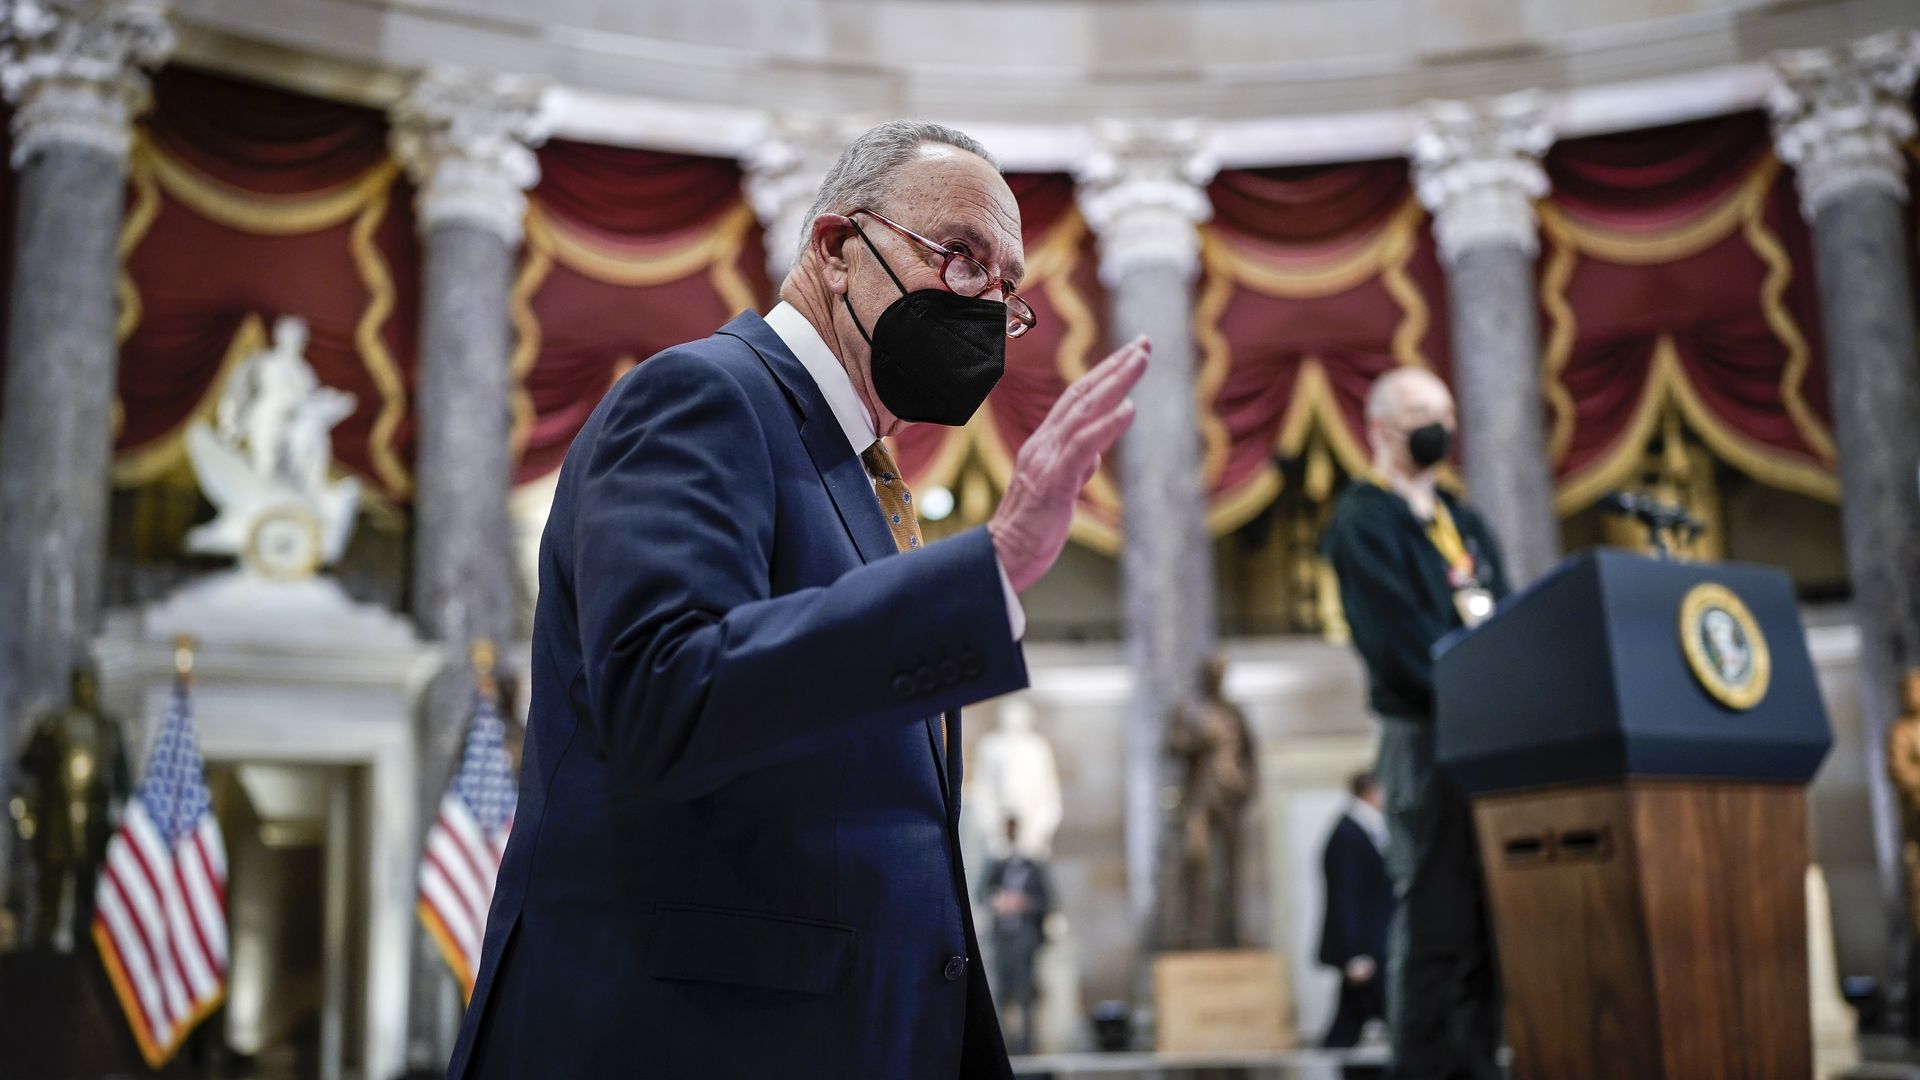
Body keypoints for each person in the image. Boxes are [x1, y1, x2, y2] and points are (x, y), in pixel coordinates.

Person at [445, 120, 1149, 1080]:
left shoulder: (857, 475)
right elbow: (668, 696)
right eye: (961, 258)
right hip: (684, 1041)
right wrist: (990, 568)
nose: (988, 302)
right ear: (833, 247)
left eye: (1007, 287)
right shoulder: (703, 396)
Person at [1320, 367, 1510, 1080]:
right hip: (1426, 738)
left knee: (1493, 922)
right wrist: (1476, 693)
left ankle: (1482, 1060)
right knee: (1437, 917)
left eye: (1447, 412)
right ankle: (1427, 1065)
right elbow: (1398, 646)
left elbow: (1509, 617)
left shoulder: (1464, 521)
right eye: (1424, 412)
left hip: (1491, 737)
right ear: (1382, 428)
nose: (1441, 426)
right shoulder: (1362, 521)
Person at [1317, 771, 1393, 1050]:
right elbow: (1344, 896)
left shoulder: (1367, 828)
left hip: (1375, 947)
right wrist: (1353, 954)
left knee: (1350, 1021)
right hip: (1365, 950)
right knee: (1351, 1023)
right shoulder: (1347, 834)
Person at [982, 817, 1052, 1055]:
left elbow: (1047, 901)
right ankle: (1003, 1047)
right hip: (1002, 938)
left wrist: (1024, 903)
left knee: (1025, 994)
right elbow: (982, 893)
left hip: (1024, 939)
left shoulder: (1033, 866)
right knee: (1002, 995)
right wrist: (998, 900)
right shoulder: (996, 864)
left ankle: (1027, 1046)